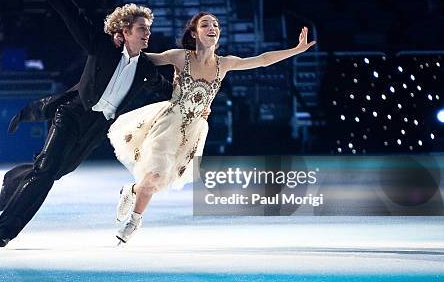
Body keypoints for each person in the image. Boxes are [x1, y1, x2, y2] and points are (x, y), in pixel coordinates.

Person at [0, 0, 173, 248]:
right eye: (142, 29)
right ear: (124, 32)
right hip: (71, 114)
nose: (148, 34)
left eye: (149, 29)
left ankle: (14, 179)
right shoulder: (100, 47)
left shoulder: (146, 70)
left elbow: (169, 90)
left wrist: (198, 98)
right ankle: (4, 231)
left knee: (56, 171)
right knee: (47, 172)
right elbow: (70, 13)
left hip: (97, 127)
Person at [109, 12, 316, 244]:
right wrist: (120, 42)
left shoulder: (224, 63)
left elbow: (263, 59)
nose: (212, 28)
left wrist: (296, 50)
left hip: (193, 132)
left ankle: (131, 191)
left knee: (155, 182)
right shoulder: (180, 57)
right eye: (205, 24)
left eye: (215, 25)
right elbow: (143, 59)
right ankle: (134, 221)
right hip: (168, 123)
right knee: (154, 174)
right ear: (194, 33)